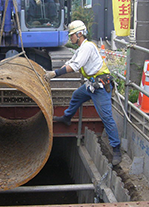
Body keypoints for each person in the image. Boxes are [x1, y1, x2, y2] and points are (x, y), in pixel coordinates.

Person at [44, 20, 122, 165]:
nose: (70, 38)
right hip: (91, 84)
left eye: (72, 35)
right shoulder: (81, 49)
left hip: (100, 86)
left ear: (79, 34)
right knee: (77, 95)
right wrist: (56, 70)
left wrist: (55, 73)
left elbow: (76, 66)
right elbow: (71, 62)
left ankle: (116, 149)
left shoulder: (88, 47)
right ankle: (67, 117)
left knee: (106, 118)